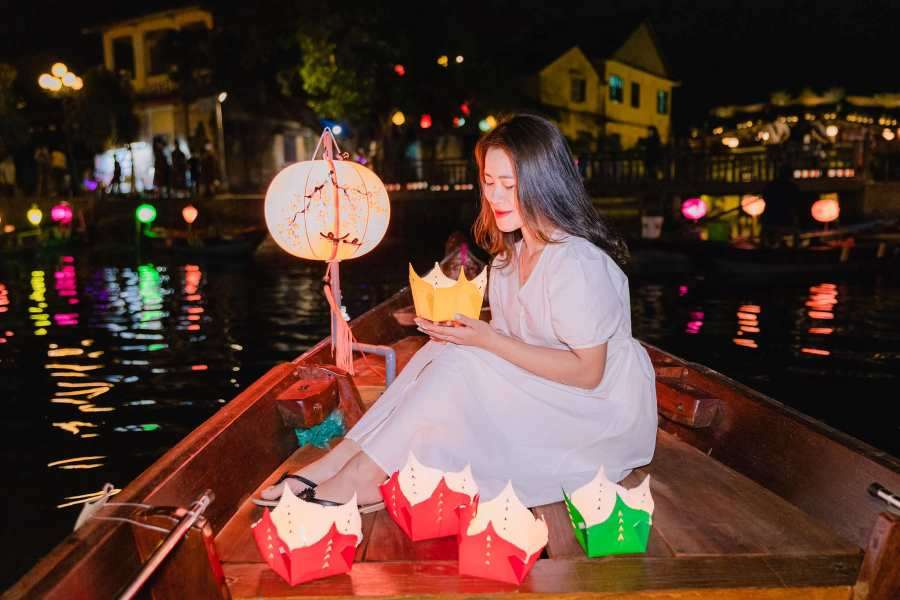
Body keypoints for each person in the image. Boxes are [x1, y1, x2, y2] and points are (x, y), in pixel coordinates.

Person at [258, 114, 657, 511]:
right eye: (487, 183)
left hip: (595, 414)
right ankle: (341, 461)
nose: (495, 197)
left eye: (509, 185)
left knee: (463, 360)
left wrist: (486, 340)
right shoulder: (507, 260)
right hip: (551, 391)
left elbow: (589, 372)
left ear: (544, 185)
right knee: (441, 351)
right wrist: (463, 333)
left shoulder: (576, 263)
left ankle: (364, 476)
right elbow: (514, 347)